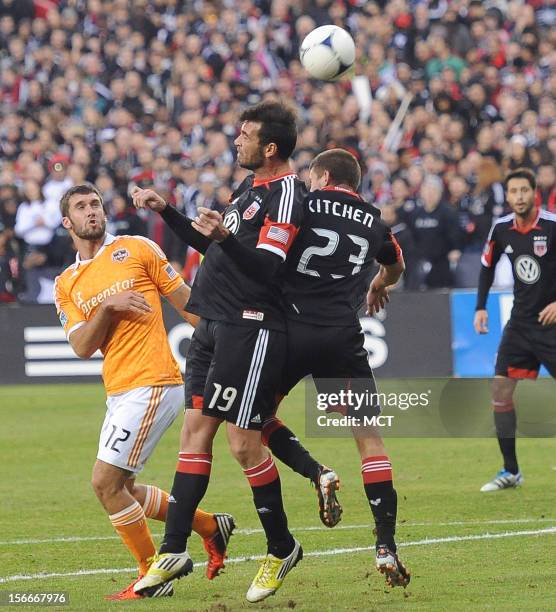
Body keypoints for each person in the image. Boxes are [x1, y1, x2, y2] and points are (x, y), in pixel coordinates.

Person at [132, 102, 307, 603]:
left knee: (244, 445)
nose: (237, 141)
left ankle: (281, 547)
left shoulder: (287, 194)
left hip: (248, 327)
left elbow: (267, 269)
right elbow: (215, 246)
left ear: (269, 147)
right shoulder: (249, 189)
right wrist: (166, 210)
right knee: (195, 432)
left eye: (246, 134)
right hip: (211, 323)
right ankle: (172, 550)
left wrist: (227, 238)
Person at [53, 183, 235, 600]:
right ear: (68, 222)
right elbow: (82, 346)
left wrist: (227, 350)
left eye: (95, 204)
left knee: (104, 483)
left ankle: (150, 575)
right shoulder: (66, 283)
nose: (91, 212)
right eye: (81, 207)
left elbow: (188, 304)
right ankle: (209, 525)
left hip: (154, 381)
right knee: (125, 488)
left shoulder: (137, 249)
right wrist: (108, 307)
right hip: (119, 388)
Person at [264, 149, 410, 587]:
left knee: (254, 421)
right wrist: (378, 283)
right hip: (342, 335)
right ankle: (386, 544)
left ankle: (317, 472)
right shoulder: (375, 221)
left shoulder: (302, 204)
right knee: (369, 439)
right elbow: (396, 265)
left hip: (289, 330)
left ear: (323, 176)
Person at [474, 168, 556, 492]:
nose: (519, 197)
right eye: (514, 192)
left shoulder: (552, 226)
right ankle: (511, 471)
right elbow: (486, 267)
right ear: (507, 196)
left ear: (534, 193)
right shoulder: (501, 229)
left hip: (551, 325)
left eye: (524, 191)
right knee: (501, 391)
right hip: (520, 324)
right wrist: (480, 306)